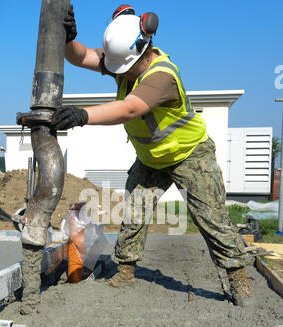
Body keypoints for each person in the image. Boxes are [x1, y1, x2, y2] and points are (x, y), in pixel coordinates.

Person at [53, 4, 253, 307]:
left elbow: (129, 108)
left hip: (190, 156)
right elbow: (79, 56)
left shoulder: (163, 75)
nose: (116, 71)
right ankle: (125, 271)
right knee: (133, 214)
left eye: (122, 66)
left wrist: (82, 115)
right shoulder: (124, 60)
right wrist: (68, 37)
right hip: (151, 159)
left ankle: (237, 277)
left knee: (211, 219)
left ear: (144, 49)